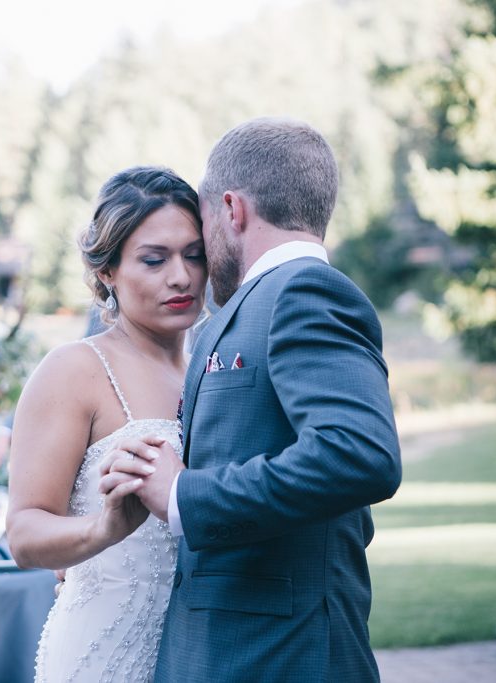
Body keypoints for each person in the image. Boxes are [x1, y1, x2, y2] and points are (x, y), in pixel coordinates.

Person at [99, 117, 402, 681]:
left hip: (285, 654)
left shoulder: (306, 292)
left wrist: (186, 493)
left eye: (203, 227)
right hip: (214, 648)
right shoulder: (232, 317)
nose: (192, 266)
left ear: (231, 210)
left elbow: (359, 454)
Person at [6, 165, 207, 682]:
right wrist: (102, 529)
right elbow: (25, 532)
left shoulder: (213, 366)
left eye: (194, 254)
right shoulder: (74, 370)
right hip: (104, 653)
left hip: (200, 655)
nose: (180, 276)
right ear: (108, 272)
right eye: (154, 259)